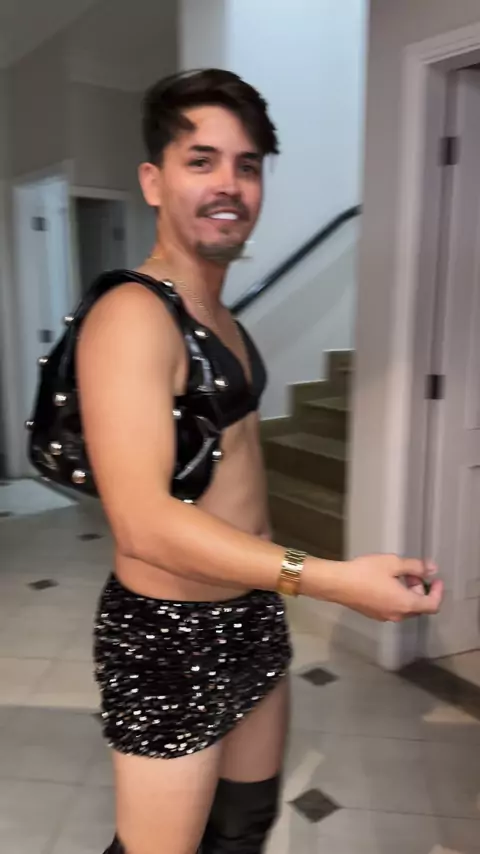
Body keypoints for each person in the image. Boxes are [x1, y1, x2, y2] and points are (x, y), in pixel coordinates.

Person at [76, 69, 443, 854]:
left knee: (244, 826)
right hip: (167, 637)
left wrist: (276, 590)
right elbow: (143, 525)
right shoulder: (132, 315)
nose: (229, 184)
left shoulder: (220, 316)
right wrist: (335, 579)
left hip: (250, 616)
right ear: (153, 180)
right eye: (200, 160)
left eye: (247, 165)